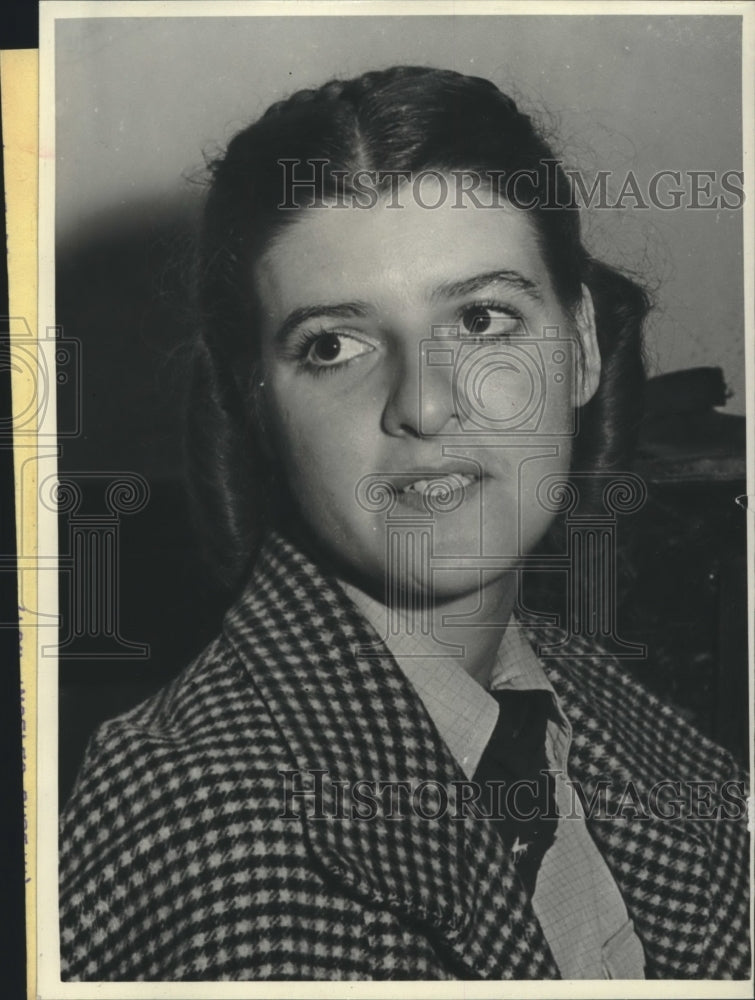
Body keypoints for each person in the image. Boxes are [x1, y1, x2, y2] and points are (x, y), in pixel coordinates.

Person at [59, 66, 750, 981]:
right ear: (255, 403)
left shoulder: (603, 712)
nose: (423, 405)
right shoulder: (206, 828)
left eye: (479, 318)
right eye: (333, 345)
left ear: (579, 347)